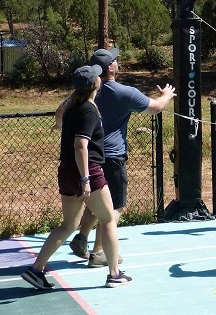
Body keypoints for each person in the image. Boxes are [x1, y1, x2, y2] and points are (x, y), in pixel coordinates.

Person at [62, 48, 176, 267]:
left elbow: (61, 110)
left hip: (92, 159)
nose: (118, 63)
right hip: (112, 158)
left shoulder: (84, 91)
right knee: (112, 209)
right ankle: (99, 253)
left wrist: (61, 124)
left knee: (98, 205)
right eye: (115, 61)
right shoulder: (124, 93)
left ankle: (82, 237)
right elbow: (156, 108)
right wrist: (167, 95)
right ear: (110, 68)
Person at [22, 65, 131, 289]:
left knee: (68, 225)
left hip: (66, 171)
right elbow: (81, 145)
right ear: (95, 84)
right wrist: (85, 179)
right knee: (108, 219)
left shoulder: (72, 106)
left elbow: (62, 114)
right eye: (97, 76)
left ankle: (36, 270)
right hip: (87, 171)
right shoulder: (89, 110)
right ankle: (114, 274)